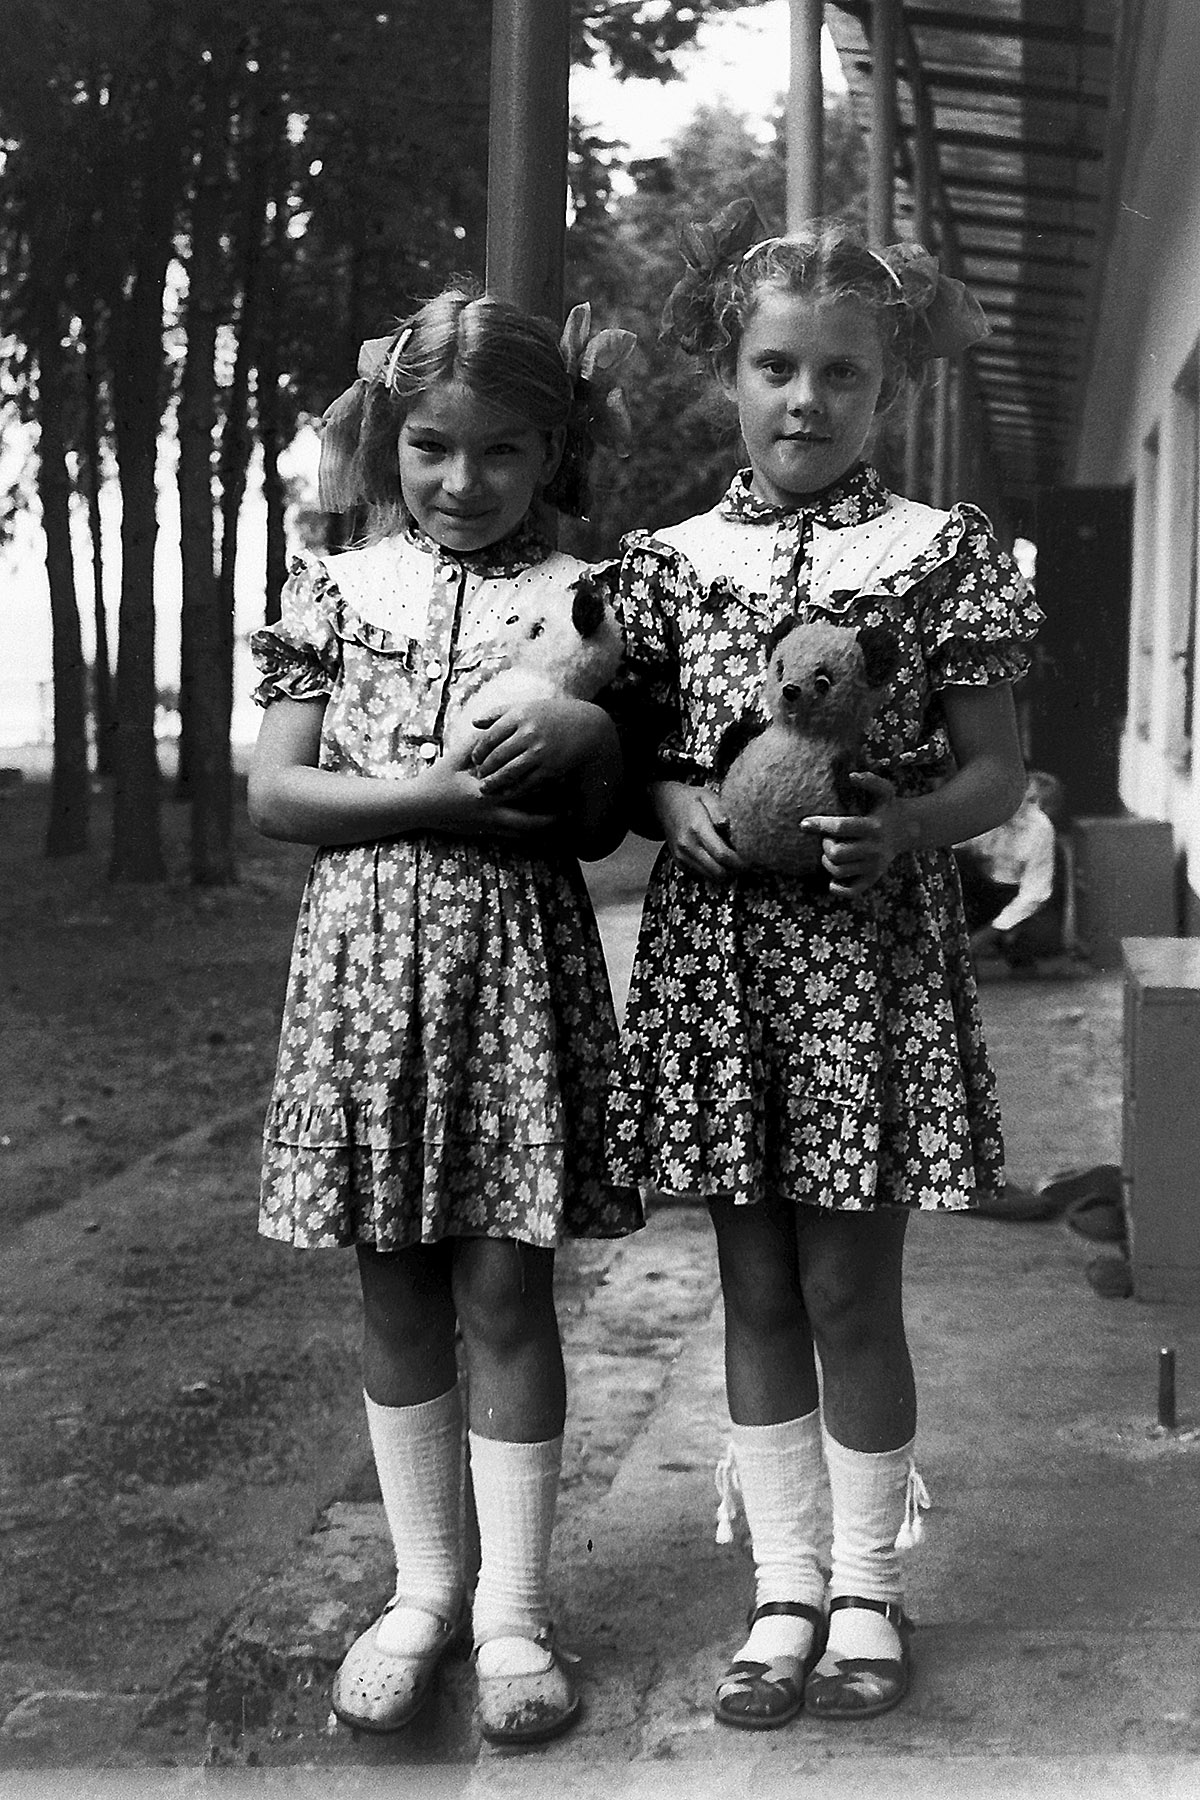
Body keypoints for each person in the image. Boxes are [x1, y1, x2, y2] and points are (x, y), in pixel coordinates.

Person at [607, 204, 1041, 1728]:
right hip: (722, 960)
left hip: (867, 965)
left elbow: (998, 772)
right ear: (730, 376)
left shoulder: (937, 556)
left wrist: (905, 825)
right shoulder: (668, 566)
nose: (806, 400)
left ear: (886, 385)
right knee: (754, 1281)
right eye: (776, 368)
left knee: (851, 1285)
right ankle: (782, 1589)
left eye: (841, 374)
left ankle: (868, 1585)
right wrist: (672, 804)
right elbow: (628, 754)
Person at [247, 284, 642, 1746]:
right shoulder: (335, 587)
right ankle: (422, 1590)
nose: (462, 481)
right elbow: (280, 792)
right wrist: (442, 796)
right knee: (395, 1288)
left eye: (501, 451)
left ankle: (513, 1612)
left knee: (506, 1292)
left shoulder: (592, 600)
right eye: (430, 447)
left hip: (513, 973)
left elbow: (601, 826)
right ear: (387, 440)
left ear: (551, 450)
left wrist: (589, 735)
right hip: (364, 979)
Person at [957, 769, 1066, 970]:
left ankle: (1010, 942)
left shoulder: (1040, 827)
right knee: (956, 861)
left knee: (1042, 939)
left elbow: (1034, 893)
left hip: (1018, 892)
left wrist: (989, 933)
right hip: (985, 889)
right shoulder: (982, 815)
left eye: (1030, 800)